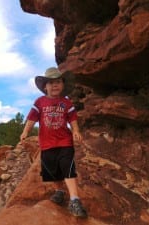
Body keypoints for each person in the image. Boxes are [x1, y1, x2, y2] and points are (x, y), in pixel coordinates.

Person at [20, 67, 88, 218]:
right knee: (52, 171)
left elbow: (72, 118)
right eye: (51, 83)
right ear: (45, 86)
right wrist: (25, 131)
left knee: (68, 168)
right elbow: (32, 118)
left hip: (65, 142)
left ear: (63, 85)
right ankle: (59, 191)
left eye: (58, 82)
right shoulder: (40, 102)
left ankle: (75, 200)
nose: (54, 85)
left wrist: (76, 131)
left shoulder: (66, 102)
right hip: (47, 143)